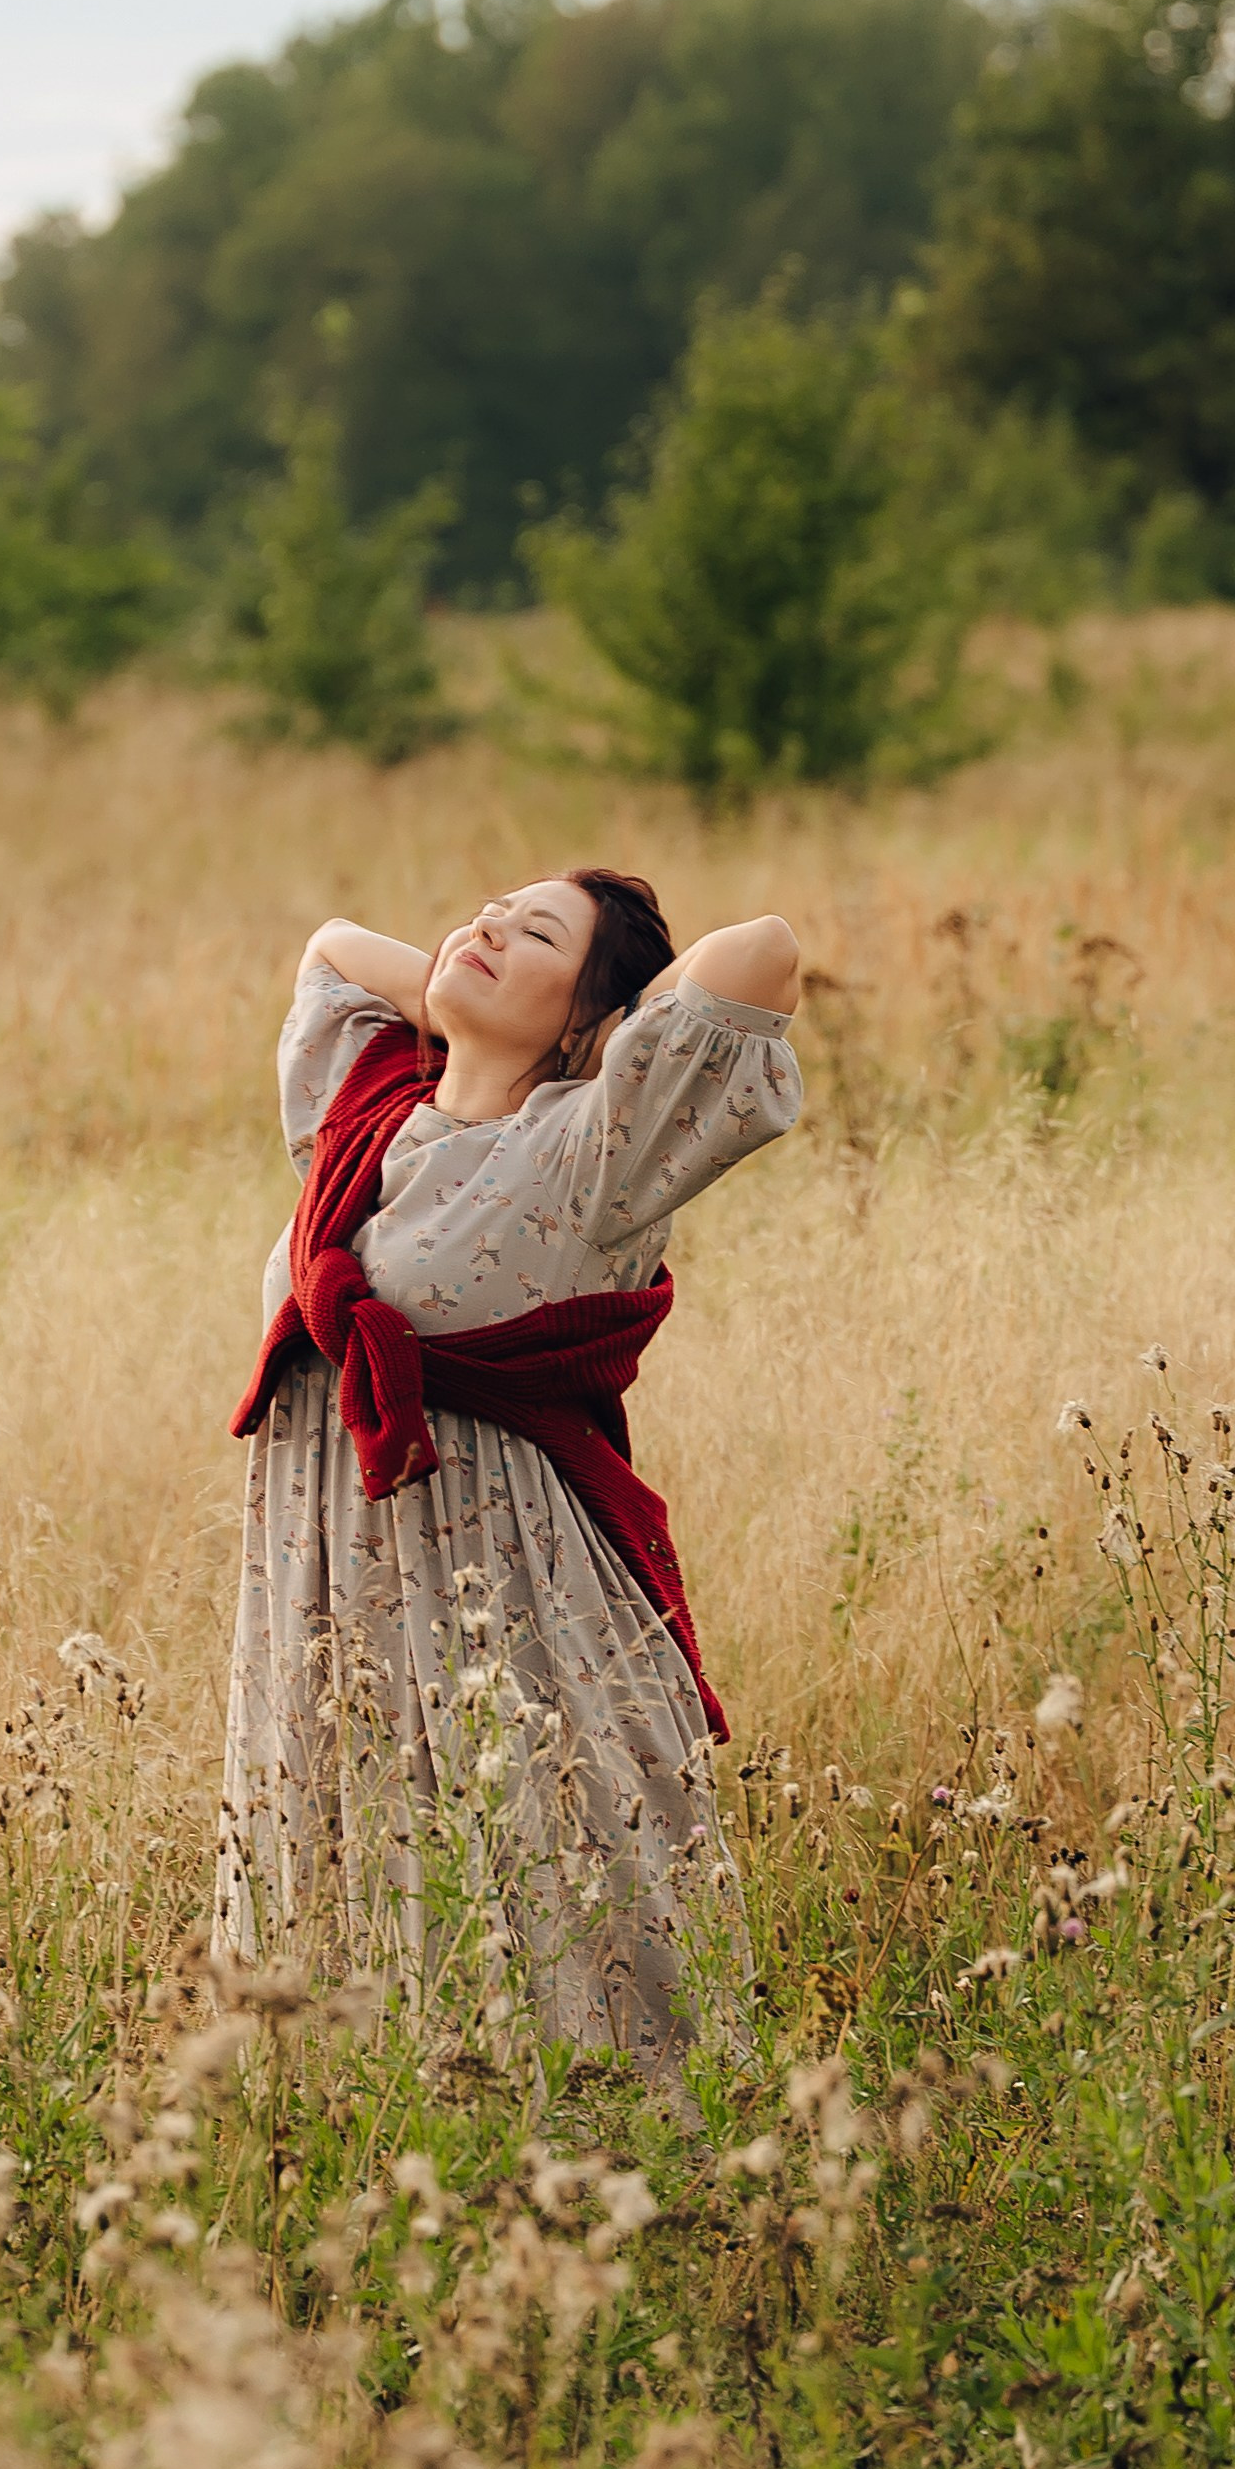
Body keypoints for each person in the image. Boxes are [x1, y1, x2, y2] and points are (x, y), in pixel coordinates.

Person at [217, 870, 802, 2086]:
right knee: (353, 1880)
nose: (482, 927)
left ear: (590, 1020)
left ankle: (608, 2191)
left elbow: (760, 952)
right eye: (481, 909)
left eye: (533, 933)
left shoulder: (594, 1145)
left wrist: (609, 1043)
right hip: (332, 1590)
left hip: (517, 1608)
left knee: (544, 1885)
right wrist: (457, 988)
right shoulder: (365, 1115)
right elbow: (329, 940)